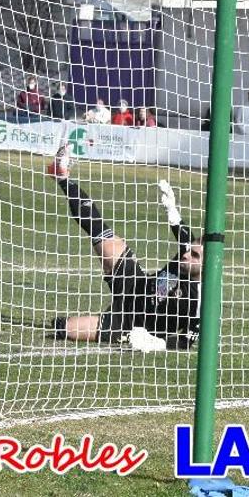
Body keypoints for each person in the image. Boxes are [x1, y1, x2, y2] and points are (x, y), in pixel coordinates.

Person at [45, 145, 201, 350]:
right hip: (135, 283)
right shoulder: (187, 256)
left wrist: (158, 343)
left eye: (194, 255)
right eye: (188, 250)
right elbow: (185, 237)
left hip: (131, 324)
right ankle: (62, 176)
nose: (186, 254)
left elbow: (186, 342)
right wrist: (172, 209)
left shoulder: (201, 302)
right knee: (99, 229)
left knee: (63, 328)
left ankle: (74, 325)